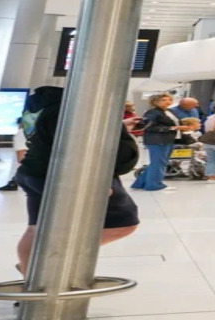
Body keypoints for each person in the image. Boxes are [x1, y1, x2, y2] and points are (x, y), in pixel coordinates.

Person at [14, 86, 140, 276]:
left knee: (36, 229)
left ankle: (30, 272)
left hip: (34, 170)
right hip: (71, 174)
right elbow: (82, 145)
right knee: (123, 223)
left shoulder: (44, 105)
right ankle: (48, 264)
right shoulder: (77, 108)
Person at [131, 93, 194, 192]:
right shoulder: (153, 112)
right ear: (155, 102)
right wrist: (174, 128)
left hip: (167, 139)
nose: (167, 101)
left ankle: (140, 183)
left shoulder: (169, 112)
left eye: (169, 99)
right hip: (158, 140)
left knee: (157, 163)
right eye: (163, 100)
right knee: (159, 163)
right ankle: (155, 185)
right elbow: (149, 127)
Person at [0, 87, 55, 192]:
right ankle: (13, 181)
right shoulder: (34, 130)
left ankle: (14, 181)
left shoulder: (26, 130)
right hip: (36, 170)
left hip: (28, 170)